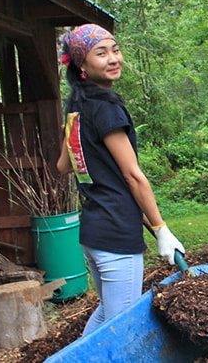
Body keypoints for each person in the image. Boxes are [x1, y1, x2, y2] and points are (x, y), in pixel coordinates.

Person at [55, 24, 186, 335]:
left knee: (106, 316)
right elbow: (133, 176)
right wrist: (161, 229)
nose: (114, 58)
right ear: (82, 65)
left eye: (115, 50)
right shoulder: (107, 108)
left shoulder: (78, 107)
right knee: (122, 328)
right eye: (101, 53)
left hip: (93, 231)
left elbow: (63, 164)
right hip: (116, 235)